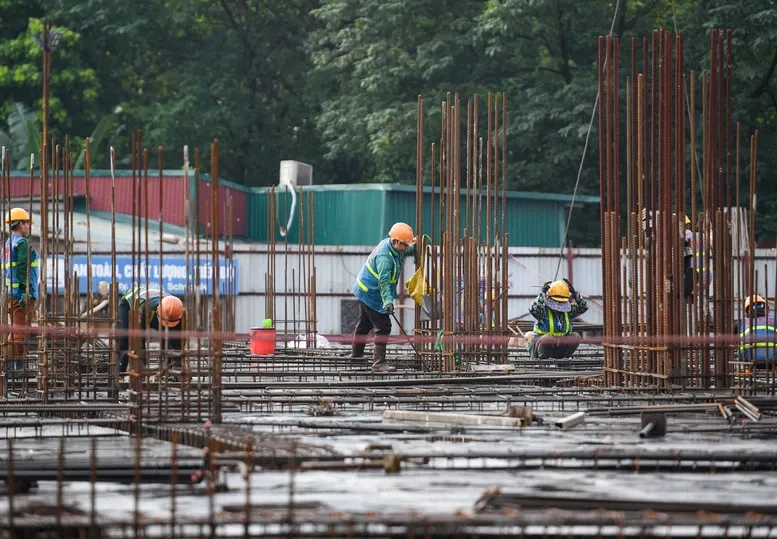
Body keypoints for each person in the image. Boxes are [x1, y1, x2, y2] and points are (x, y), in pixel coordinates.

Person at [350, 222, 416, 372]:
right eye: (405, 245)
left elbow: (404, 251)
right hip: (372, 293)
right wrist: (387, 302)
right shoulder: (385, 259)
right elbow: (384, 283)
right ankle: (379, 364)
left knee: (364, 324)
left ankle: (356, 356)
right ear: (396, 242)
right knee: (383, 327)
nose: (406, 248)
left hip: (364, 289)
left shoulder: (390, 245)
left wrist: (413, 247)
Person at [2, 208, 39, 377]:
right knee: (19, 332)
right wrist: (26, 291)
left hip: (10, 294)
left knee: (16, 330)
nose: (29, 226)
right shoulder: (22, 243)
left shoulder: (8, 244)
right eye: (27, 223)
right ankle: (15, 366)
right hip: (21, 295)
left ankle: (14, 365)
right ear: (20, 224)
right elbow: (23, 267)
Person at [117, 286, 184, 377]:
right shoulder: (144, 308)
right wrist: (142, 368)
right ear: (157, 312)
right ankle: (120, 373)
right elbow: (139, 341)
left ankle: (168, 370)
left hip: (154, 306)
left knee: (169, 336)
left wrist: (178, 366)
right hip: (130, 304)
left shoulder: (176, 311)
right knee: (124, 337)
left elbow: (177, 344)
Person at [526, 279, 588, 359]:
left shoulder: (568, 311)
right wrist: (541, 295)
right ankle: (542, 364)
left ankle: (561, 360)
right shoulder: (543, 310)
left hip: (557, 348)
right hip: (538, 348)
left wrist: (574, 293)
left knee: (575, 337)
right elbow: (532, 308)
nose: (559, 306)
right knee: (548, 338)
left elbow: (584, 307)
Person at [735, 295, 776, 366]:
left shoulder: (741, 322)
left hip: (748, 360)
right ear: (764, 307)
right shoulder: (774, 320)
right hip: (773, 360)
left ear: (747, 310)